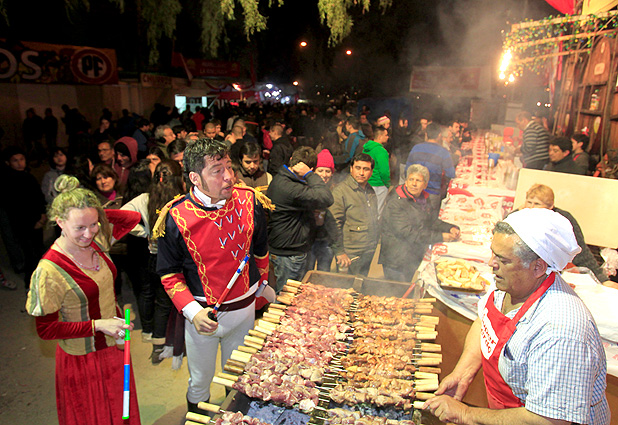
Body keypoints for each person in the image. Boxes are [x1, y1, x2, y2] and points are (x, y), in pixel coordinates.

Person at [423, 208, 610, 425]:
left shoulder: (560, 331)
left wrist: (465, 414)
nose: (491, 263)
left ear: (538, 267)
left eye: (503, 260)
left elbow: (548, 420)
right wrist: (463, 373)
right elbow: (486, 321)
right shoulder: (513, 283)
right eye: (493, 253)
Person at [156, 138, 269, 413]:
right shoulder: (176, 216)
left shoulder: (250, 200)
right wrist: (193, 312)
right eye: (217, 170)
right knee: (200, 382)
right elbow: (169, 273)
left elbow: (261, 251)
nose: (229, 176)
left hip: (245, 312)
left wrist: (263, 286)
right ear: (195, 177)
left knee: (239, 376)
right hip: (203, 320)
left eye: (229, 166)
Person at [25, 174, 141, 425]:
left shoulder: (97, 239)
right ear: (59, 222)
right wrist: (98, 325)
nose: (88, 234)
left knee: (122, 415)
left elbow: (132, 219)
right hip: (82, 361)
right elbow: (46, 330)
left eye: (94, 224)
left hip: (116, 346)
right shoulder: (49, 271)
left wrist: (93, 213)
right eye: (79, 227)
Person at [121, 160, 184, 363]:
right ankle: (168, 343)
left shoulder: (144, 199)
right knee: (169, 302)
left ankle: (154, 342)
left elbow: (122, 216)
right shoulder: (181, 200)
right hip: (177, 259)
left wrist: (145, 232)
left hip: (152, 257)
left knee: (153, 297)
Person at [266, 146, 334, 293]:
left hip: (286, 247)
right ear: (309, 168)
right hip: (289, 253)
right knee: (287, 297)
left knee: (288, 292)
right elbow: (327, 198)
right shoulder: (291, 187)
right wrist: (310, 175)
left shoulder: (282, 177)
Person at [379, 164, 460, 282]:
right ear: (406, 181)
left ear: (425, 184)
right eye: (411, 179)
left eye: (418, 180)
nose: (414, 183)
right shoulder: (396, 203)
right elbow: (408, 233)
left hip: (412, 255)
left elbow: (431, 221)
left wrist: (450, 228)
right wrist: (440, 236)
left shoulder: (422, 198)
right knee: (398, 292)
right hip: (396, 259)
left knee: (407, 288)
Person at [522, 184, 612, 286]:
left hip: (550, 274)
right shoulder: (516, 217)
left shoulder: (563, 220)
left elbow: (581, 253)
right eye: (529, 202)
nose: (531, 207)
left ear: (550, 206)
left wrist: (602, 279)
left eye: (537, 204)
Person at [329, 153, 379, 277]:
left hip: (368, 249)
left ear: (371, 171)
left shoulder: (370, 191)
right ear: (351, 169)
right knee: (344, 289)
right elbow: (334, 224)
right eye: (358, 168)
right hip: (350, 253)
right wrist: (339, 251)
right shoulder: (341, 192)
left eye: (366, 169)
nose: (361, 173)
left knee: (361, 286)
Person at [405, 123, 456, 218]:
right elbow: (451, 173)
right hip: (432, 194)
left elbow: (407, 171)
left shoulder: (416, 148)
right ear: (439, 135)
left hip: (414, 191)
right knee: (430, 223)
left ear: (426, 134)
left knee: (414, 220)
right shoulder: (443, 152)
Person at [308, 149, 339, 272]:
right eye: (320, 170)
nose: (324, 174)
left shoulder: (334, 190)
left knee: (324, 275)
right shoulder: (307, 189)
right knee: (307, 273)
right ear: (313, 171)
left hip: (326, 241)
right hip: (309, 241)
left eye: (328, 171)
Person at [362, 125, 390, 218]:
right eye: (386, 135)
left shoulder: (366, 148)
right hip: (378, 184)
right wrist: (387, 184)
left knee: (366, 210)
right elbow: (384, 171)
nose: (388, 137)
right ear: (380, 136)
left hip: (366, 182)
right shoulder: (381, 151)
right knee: (377, 211)